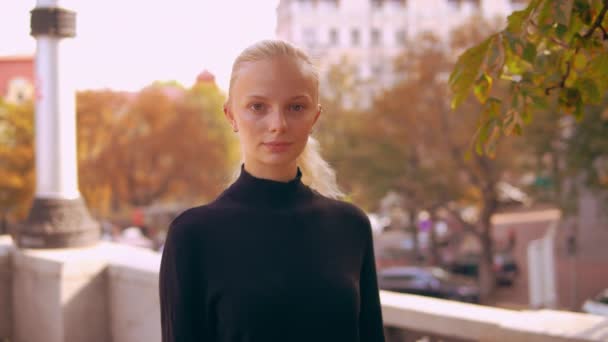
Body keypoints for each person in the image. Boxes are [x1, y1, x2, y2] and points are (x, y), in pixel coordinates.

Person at [159, 39, 385, 342]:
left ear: (315, 117)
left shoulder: (351, 226)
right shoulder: (193, 236)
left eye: (296, 107)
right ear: (230, 115)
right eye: (257, 107)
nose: (278, 124)